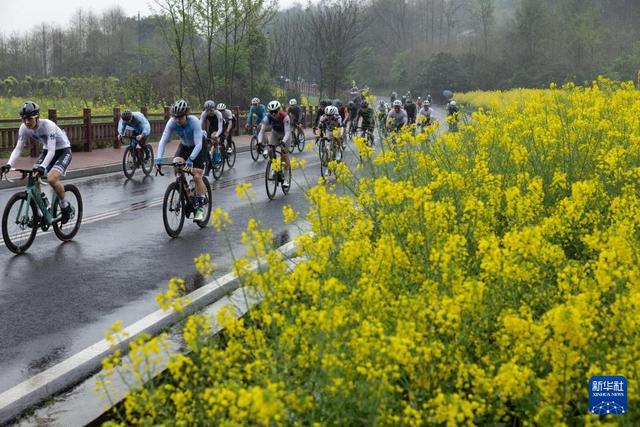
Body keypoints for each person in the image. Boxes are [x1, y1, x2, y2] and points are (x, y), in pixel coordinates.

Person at [1, 101, 74, 222]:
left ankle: (65, 206)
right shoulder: (24, 128)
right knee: (33, 176)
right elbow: (18, 148)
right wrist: (9, 165)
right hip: (47, 150)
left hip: (62, 151)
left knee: (51, 178)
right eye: (24, 119)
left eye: (29, 119)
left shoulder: (48, 125)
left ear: (37, 117)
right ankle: (43, 203)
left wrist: (43, 167)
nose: (27, 122)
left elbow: (52, 150)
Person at [155, 99, 208, 221]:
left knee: (197, 175)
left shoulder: (194, 122)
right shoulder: (172, 122)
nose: (177, 120)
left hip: (199, 146)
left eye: (180, 117)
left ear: (186, 114)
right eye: (175, 117)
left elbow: (199, 144)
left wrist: (190, 160)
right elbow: (163, 141)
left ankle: (200, 208)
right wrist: (158, 159)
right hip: (184, 146)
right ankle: (185, 190)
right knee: (176, 164)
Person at [258, 101, 291, 189]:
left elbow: (287, 132)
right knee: (270, 150)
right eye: (271, 112)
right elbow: (262, 130)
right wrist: (259, 142)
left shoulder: (285, 117)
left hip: (285, 134)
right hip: (275, 133)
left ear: (279, 110)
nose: (273, 114)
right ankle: (274, 167)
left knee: (284, 155)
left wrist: (283, 142)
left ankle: (286, 179)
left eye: (275, 111)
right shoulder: (267, 117)